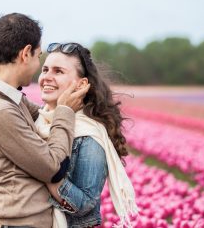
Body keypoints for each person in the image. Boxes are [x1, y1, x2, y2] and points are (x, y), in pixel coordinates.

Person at [0, 14, 90, 228]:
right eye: (38, 57)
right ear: (25, 53)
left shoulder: (0, 94)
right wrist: (65, 110)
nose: (38, 68)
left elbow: (40, 113)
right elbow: (54, 168)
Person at [35, 43, 138, 228]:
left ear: (82, 84)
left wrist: (44, 171)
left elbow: (86, 204)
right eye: (45, 69)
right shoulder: (37, 122)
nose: (47, 77)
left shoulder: (87, 135)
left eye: (58, 71)